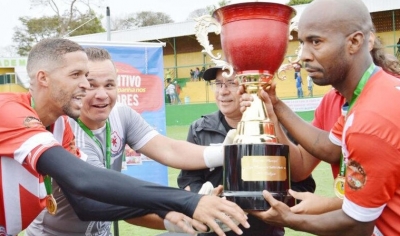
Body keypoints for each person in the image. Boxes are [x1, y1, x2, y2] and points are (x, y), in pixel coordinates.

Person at [0, 38, 249, 236]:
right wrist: (188, 202)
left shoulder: (61, 126)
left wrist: (172, 212)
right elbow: (84, 180)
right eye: (77, 75)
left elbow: (90, 204)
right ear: (43, 78)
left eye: (108, 84)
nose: (87, 87)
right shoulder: (9, 111)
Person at [246, 0, 400, 235]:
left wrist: (289, 219)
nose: (303, 56)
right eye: (302, 43)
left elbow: (356, 226)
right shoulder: (371, 91)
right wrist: (276, 106)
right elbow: (330, 148)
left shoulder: (370, 119)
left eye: (316, 42)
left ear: (355, 42)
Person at [178, 66, 316, 236]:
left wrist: (271, 203)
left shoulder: (277, 129)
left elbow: (303, 185)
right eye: (218, 84)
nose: (223, 91)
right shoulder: (200, 129)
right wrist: (205, 199)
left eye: (231, 83)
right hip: (213, 231)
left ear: (249, 86)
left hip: (264, 231)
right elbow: (187, 180)